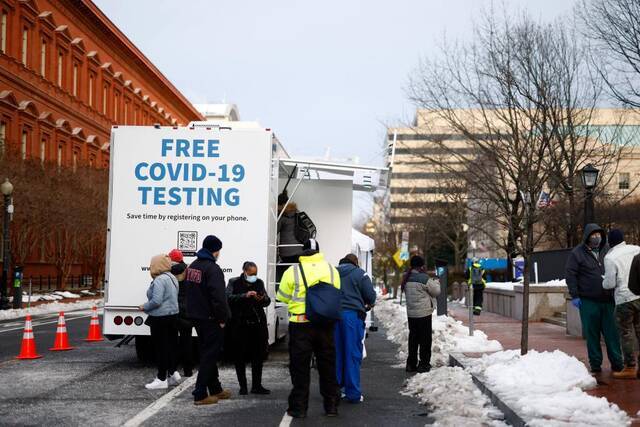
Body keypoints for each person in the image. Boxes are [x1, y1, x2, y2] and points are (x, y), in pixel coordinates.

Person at [276, 239, 341, 418]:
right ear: (319, 251)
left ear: (303, 251)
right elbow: (335, 293)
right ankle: (331, 406)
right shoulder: (331, 269)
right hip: (325, 325)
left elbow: (282, 296)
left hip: (301, 325)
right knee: (327, 365)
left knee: (300, 368)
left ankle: (299, 408)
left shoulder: (293, 271)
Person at [566, 223, 623, 374]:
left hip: (608, 300)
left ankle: (618, 363)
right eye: (593, 235)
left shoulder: (607, 251)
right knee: (592, 335)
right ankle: (596, 365)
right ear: (587, 236)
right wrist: (575, 295)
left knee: (612, 334)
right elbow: (570, 275)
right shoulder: (577, 253)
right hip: (588, 301)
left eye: (599, 234)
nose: (596, 237)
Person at [185, 235, 232, 405]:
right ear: (216, 250)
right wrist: (222, 318)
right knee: (210, 355)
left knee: (207, 351)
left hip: (196, 317)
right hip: (211, 318)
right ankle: (200, 394)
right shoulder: (213, 269)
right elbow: (218, 298)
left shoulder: (193, 266)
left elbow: (189, 292)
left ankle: (215, 389)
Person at [334, 254, 376, 403]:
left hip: (333, 317)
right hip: (352, 317)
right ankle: (352, 393)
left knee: (336, 354)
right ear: (355, 263)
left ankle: (335, 390)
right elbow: (370, 296)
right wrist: (368, 303)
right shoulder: (360, 274)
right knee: (352, 354)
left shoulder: (332, 273)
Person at [226, 261, 271, 395]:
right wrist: (244, 296)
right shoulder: (234, 282)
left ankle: (257, 386)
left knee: (258, 356)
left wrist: (261, 298)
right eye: (251, 274)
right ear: (244, 272)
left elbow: (267, 300)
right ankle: (243, 386)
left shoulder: (259, 283)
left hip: (257, 323)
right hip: (239, 324)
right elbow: (228, 297)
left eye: (255, 274)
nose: (254, 276)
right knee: (239, 357)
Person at [602, 229, 640, 379]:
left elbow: (610, 283)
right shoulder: (636, 249)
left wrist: (603, 281)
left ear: (609, 242)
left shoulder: (610, 257)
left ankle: (630, 366)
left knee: (626, 333)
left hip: (624, 299)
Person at [139, 254, 180, 390]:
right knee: (171, 347)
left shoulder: (159, 280)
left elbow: (156, 301)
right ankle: (172, 373)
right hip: (173, 316)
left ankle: (161, 378)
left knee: (161, 348)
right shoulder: (172, 277)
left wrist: (144, 306)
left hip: (160, 318)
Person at [404, 255, 440, 373]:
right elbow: (436, 291)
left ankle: (411, 364)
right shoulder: (424, 278)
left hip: (411, 314)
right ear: (421, 265)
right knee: (425, 339)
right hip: (423, 314)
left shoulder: (406, 277)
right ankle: (424, 364)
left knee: (413, 339)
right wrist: (436, 282)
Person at [169, 249, 193, 378]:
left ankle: (172, 369)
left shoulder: (167, 272)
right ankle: (188, 370)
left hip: (172, 310)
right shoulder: (189, 270)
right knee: (186, 342)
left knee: (172, 342)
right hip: (187, 310)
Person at [277, 196, 303, 282]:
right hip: (299, 248)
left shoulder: (282, 216)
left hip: (286, 251)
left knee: (286, 274)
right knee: (296, 274)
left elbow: (274, 231)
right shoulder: (296, 212)